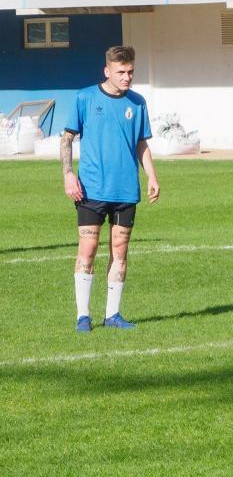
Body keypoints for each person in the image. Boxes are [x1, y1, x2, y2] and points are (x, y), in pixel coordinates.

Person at [61, 45, 159, 332]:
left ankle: (113, 315)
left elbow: (142, 143)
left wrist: (152, 176)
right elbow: (66, 139)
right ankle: (83, 316)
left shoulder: (138, 103)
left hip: (126, 189)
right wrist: (68, 174)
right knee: (88, 249)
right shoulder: (84, 98)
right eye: (121, 72)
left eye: (131, 72)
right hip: (90, 189)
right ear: (107, 71)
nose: (127, 77)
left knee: (120, 251)